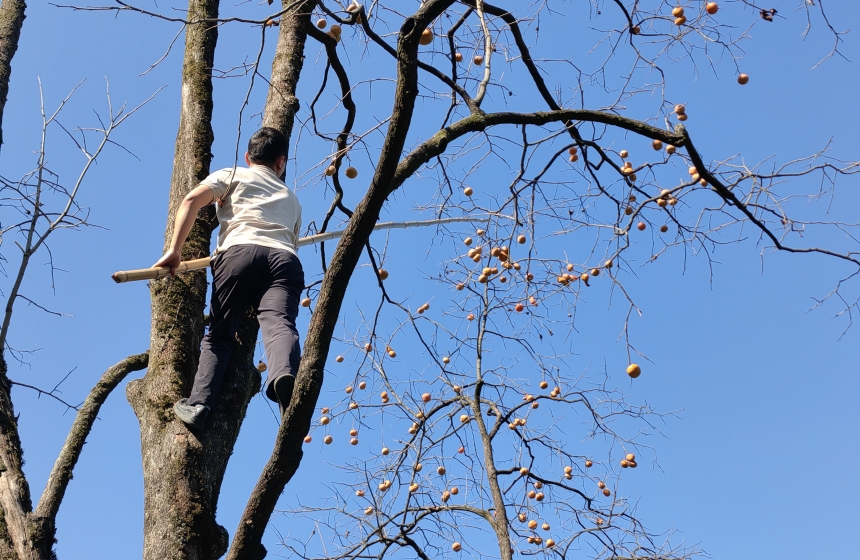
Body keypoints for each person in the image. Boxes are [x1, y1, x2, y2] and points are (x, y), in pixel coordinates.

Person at [153, 127, 304, 430]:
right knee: (279, 323)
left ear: (248, 157)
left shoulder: (234, 174)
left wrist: (175, 250)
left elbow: (191, 200)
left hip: (239, 254)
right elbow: (290, 241)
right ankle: (284, 375)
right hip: (285, 258)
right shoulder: (292, 198)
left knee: (221, 334)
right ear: (281, 163)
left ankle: (198, 405)